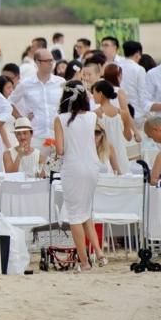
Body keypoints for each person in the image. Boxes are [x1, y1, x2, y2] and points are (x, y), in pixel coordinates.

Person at [53, 81, 107, 271]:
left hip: (73, 168)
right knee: (85, 211)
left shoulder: (60, 119)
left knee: (75, 215)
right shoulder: (92, 116)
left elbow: (60, 150)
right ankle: (99, 252)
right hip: (92, 167)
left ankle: (84, 261)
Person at [9, 48, 65, 147]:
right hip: (35, 137)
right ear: (37, 62)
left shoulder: (61, 82)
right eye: (47, 61)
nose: (51, 63)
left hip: (59, 135)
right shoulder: (26, 84)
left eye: (52, 60)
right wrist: (20, 119)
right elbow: (10, 102)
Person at [92, 80, 133, 173]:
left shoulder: (95, 114)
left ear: (100, 94)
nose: (93, 96)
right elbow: (129, 137)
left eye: (94, 93)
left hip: (104, 154)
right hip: (121, 154)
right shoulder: (124, 113)